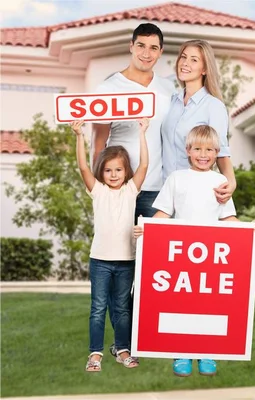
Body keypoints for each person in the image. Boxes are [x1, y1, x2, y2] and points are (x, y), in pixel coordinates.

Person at [133, 125, 255, 377]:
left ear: (217, 152)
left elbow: (228, 218)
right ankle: (181, 352)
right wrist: (146, 229)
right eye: (198, 149)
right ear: (188, 150)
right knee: (181, 302)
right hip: (182, 255)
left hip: (211, 257)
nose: (204, 155)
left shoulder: (220, 182)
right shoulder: (176, 178)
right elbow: (163, 214)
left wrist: (249, 230)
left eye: (210, 150)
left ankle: (207, 352)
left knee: (209, 304)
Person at [92, 23, 174, 359]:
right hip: (120, 190)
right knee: (119, 266)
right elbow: (100, 140)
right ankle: (122, 343)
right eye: (141, 46)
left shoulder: (167, 89)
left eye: (153, 48)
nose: (146, 53)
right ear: (131, 46)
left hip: (156, 187)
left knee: (152, 268)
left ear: (160, 52)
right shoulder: (110, 86)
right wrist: (102, 189)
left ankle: (141, 336)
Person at [72, 118, 149, 372]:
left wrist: (142, 132)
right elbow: (83, 167)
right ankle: (95, 354)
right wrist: (79, 135)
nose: (113, 175)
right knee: (97, 309)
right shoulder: (98, 191)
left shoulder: (130, 191)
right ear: (101, 172)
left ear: (126, 171)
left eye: (118, 170)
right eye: (108, 170)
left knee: (122, 309)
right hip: (101, 261)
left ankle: (122, 349)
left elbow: (145, 164)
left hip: (126, 261)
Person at [161, 39, 236, 204]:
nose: (185, 63)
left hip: (193, 192)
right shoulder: (171, 102)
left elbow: (221, 151)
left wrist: (231, 182)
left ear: (204, 69)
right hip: (163, 192)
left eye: (194, 60)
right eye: (183, 57)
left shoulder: (213, 106)